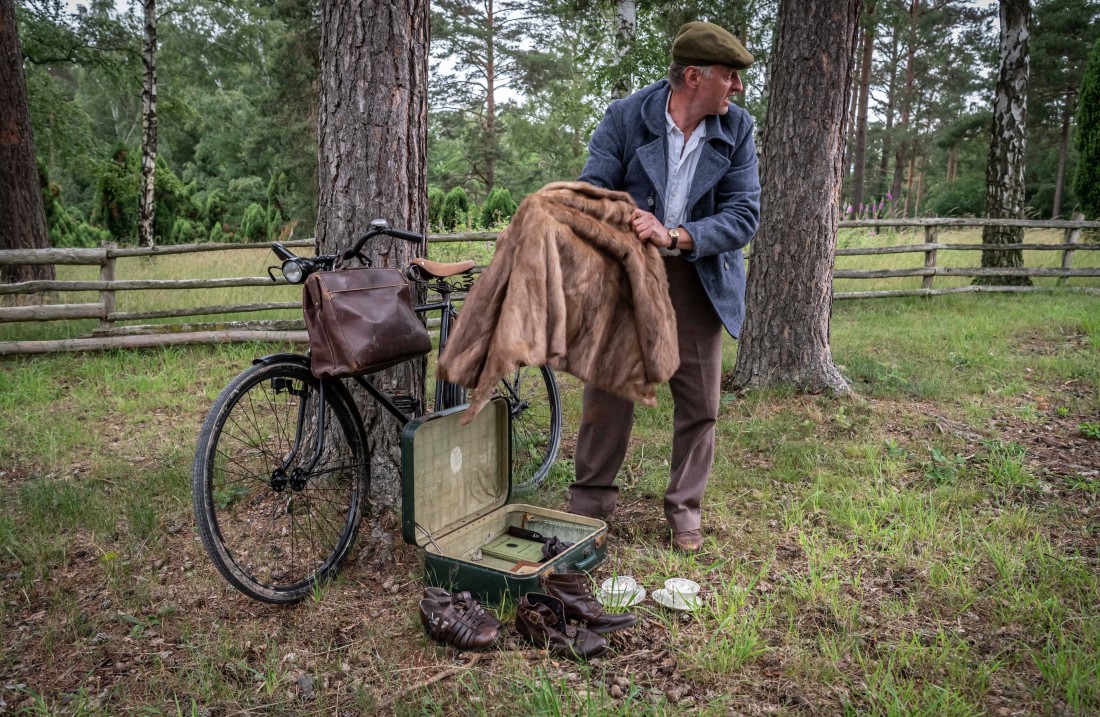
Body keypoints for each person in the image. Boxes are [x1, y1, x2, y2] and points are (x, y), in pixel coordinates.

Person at [568, 21, 761, 554]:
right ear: (694, 76)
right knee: (609, 391)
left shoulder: (737, 129)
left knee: (700, 401)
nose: (738, 87)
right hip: (632, 273)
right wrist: (628, 218)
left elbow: (744, 215)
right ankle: (589, 506)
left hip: (700, 272)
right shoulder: (626, 117)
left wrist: (677, 234)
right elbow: (592, 190)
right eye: (730, 76)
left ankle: (684, 512)